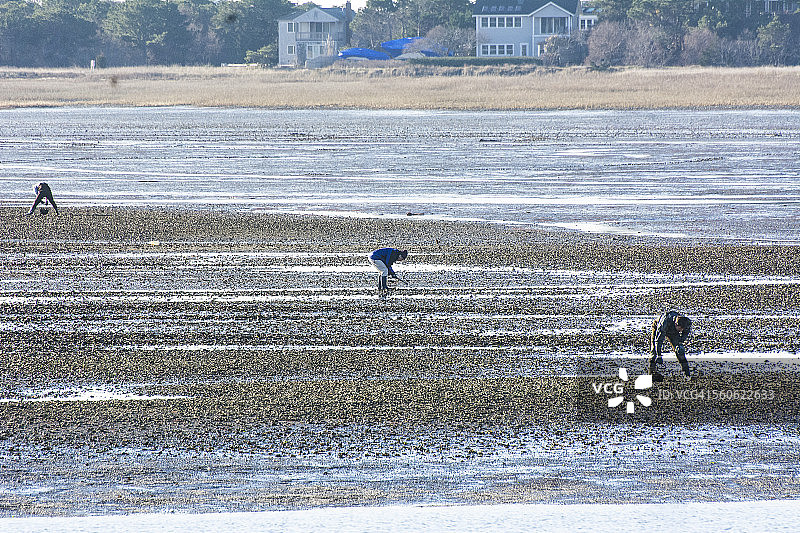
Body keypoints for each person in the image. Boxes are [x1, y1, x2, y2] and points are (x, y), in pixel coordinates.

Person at [649, 311, 693, 381]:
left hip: (673, 332)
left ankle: (687, 374)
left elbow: (684, 335)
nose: (681, 330)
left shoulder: (686, 324)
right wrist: (659, 355)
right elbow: (658, 340)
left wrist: (680, 342)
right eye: (680, 329)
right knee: (654, 351)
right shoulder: (664, 322)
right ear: (676, 324)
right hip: (658, 327)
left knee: (679, 350)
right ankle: (651, 373)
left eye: (682, 329)